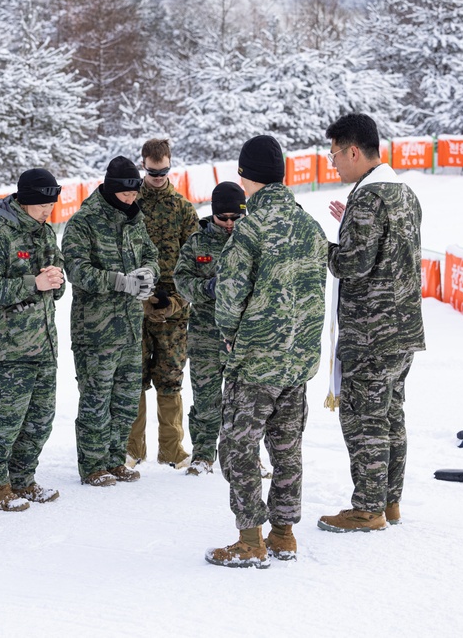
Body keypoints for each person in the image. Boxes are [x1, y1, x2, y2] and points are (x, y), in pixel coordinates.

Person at [204, 136, 326, 568]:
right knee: (287, 446)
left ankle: (250, 538)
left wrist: (233, 338)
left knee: (239, 447)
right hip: (297, 361)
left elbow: (230, 298)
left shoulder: (250, 229)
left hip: (256, 361)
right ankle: (284, 533)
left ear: (244, 177)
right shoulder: (311, 226)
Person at [318, 113, 425, 533]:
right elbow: (387, 246)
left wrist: (320, 247)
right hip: (402, 330)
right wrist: (352, 221)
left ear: (354, 151)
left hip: (370, 333)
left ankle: (367, 508)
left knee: (365, 418)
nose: (333, 164)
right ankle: (389, 500)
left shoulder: (368, 200)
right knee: (391, 414)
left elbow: (352, 262)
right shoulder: (403, 192)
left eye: (335, 155)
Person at [63, 156, 159, 487]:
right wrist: (118, 281)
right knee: (96, 399)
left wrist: (148, 273)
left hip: (131, 329)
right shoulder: (83, 223)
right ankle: (92, 464)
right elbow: (76, 269)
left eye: (135, 194)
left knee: (125, 400)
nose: (132, 199)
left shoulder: (135, 220)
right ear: (111, 190)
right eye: (126, 194)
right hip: (96, 331)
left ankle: (115, 459)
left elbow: (151, 255)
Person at [0, 168, 66, 511]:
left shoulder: (44, 233)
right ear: (26, 201)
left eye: (52, 204)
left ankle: (24, 479)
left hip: (44, 344)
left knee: (41, 420)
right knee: (6, 422)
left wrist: (56, 281)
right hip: (10, 349)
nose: (49, 211)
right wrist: (33, 283)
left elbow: (54, 281)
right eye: (43, 204)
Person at [126, 138, 199, 469]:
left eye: (164, 171)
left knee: (170, 379)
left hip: (173, 307)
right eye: (153, 171)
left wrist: (177, 303)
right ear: (143, 165)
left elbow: (198, 264)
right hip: (134, 303)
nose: (158, 177)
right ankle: (132, 449)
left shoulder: (182, 209)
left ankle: (172, 450)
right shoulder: (129, 204)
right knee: (134, 377)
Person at [173, 182, 246, 476]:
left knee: (243, 402)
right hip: (205, 335)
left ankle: (242, 456)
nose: (229, 224)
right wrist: (208, 288)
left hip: (242, 336)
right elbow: (181, 281)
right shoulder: (197, 243)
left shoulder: (251, 239)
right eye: (222, 218)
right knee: (205, 400)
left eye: (234, 218)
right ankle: (202, 455)